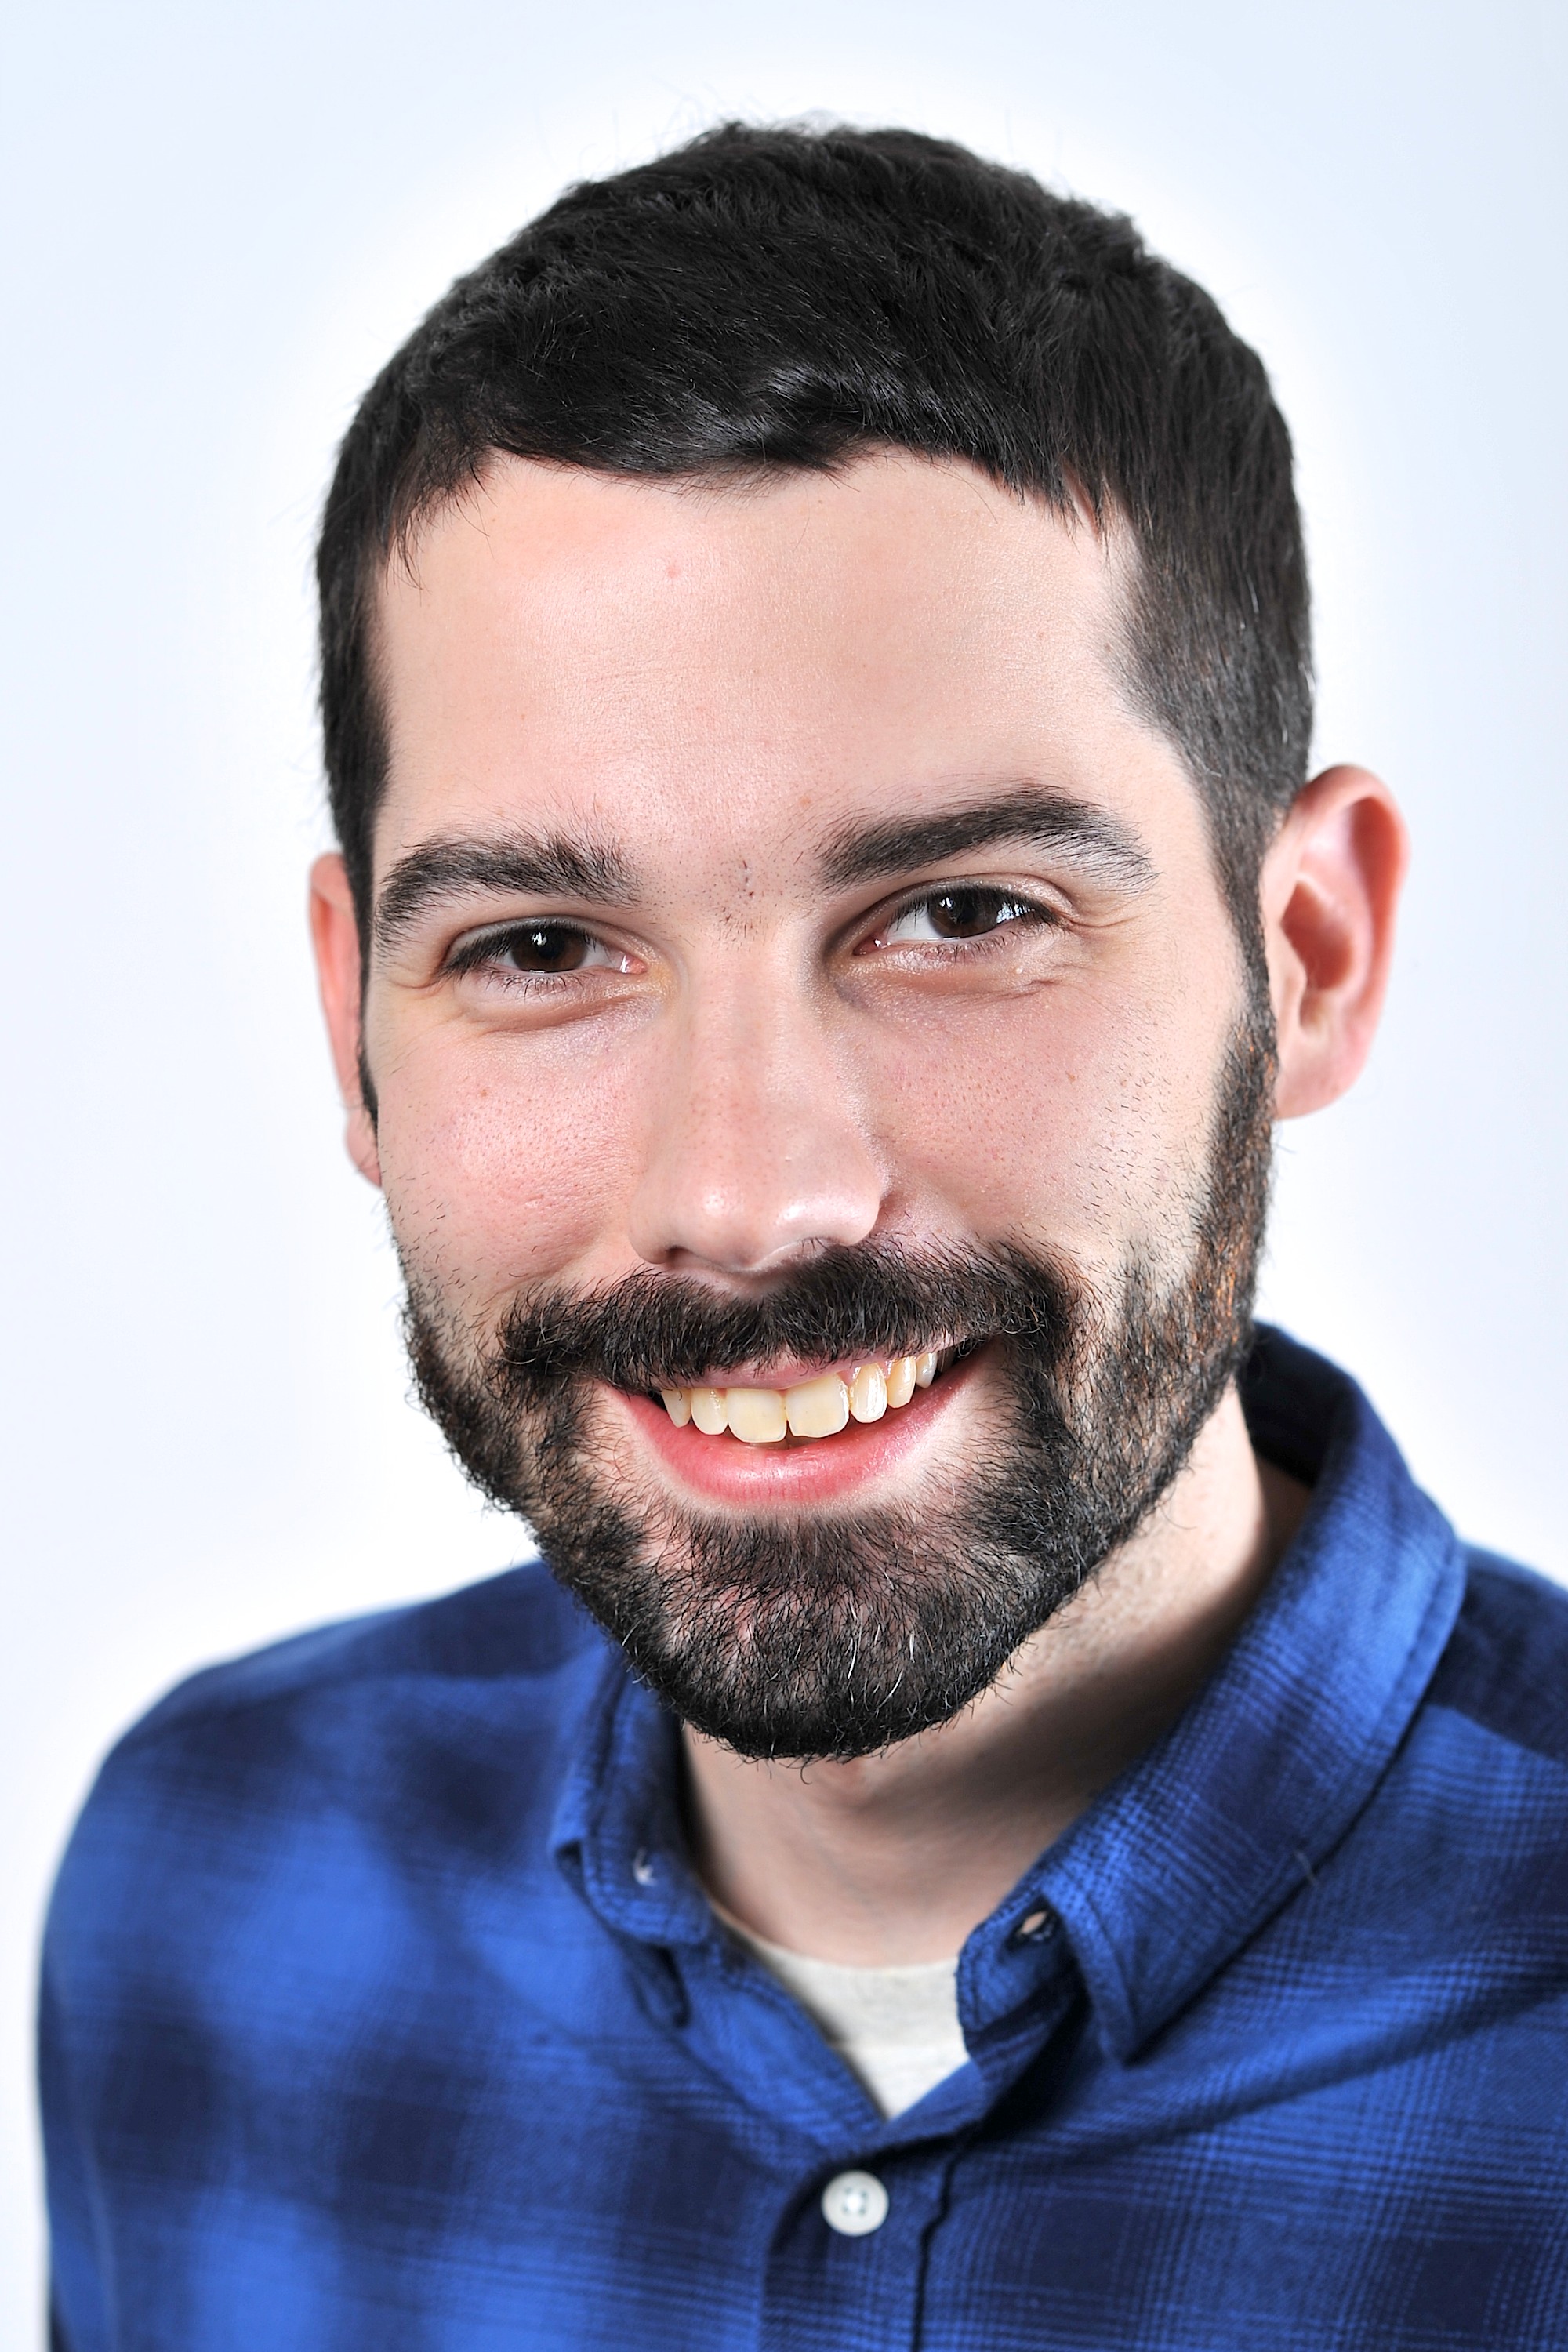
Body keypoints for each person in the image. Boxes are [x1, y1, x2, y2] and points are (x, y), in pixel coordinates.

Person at [39, 122, 1568, 2352]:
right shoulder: (210, 1888)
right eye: (542, 947)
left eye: (962, 915)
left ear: (1309, 956)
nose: (750, 1200)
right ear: (354, 1023)